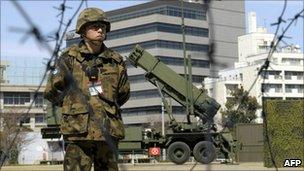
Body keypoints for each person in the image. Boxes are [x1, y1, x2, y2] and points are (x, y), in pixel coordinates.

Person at [44, 7, 130, 171]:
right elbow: (51, 90)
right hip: (78, 132)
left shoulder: (115, 61)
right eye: (95, 26)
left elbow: (123, 93)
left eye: (103, 27)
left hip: (108, 131)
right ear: (83, 30)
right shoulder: (69, 58)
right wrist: (72, 106)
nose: (100, 30)